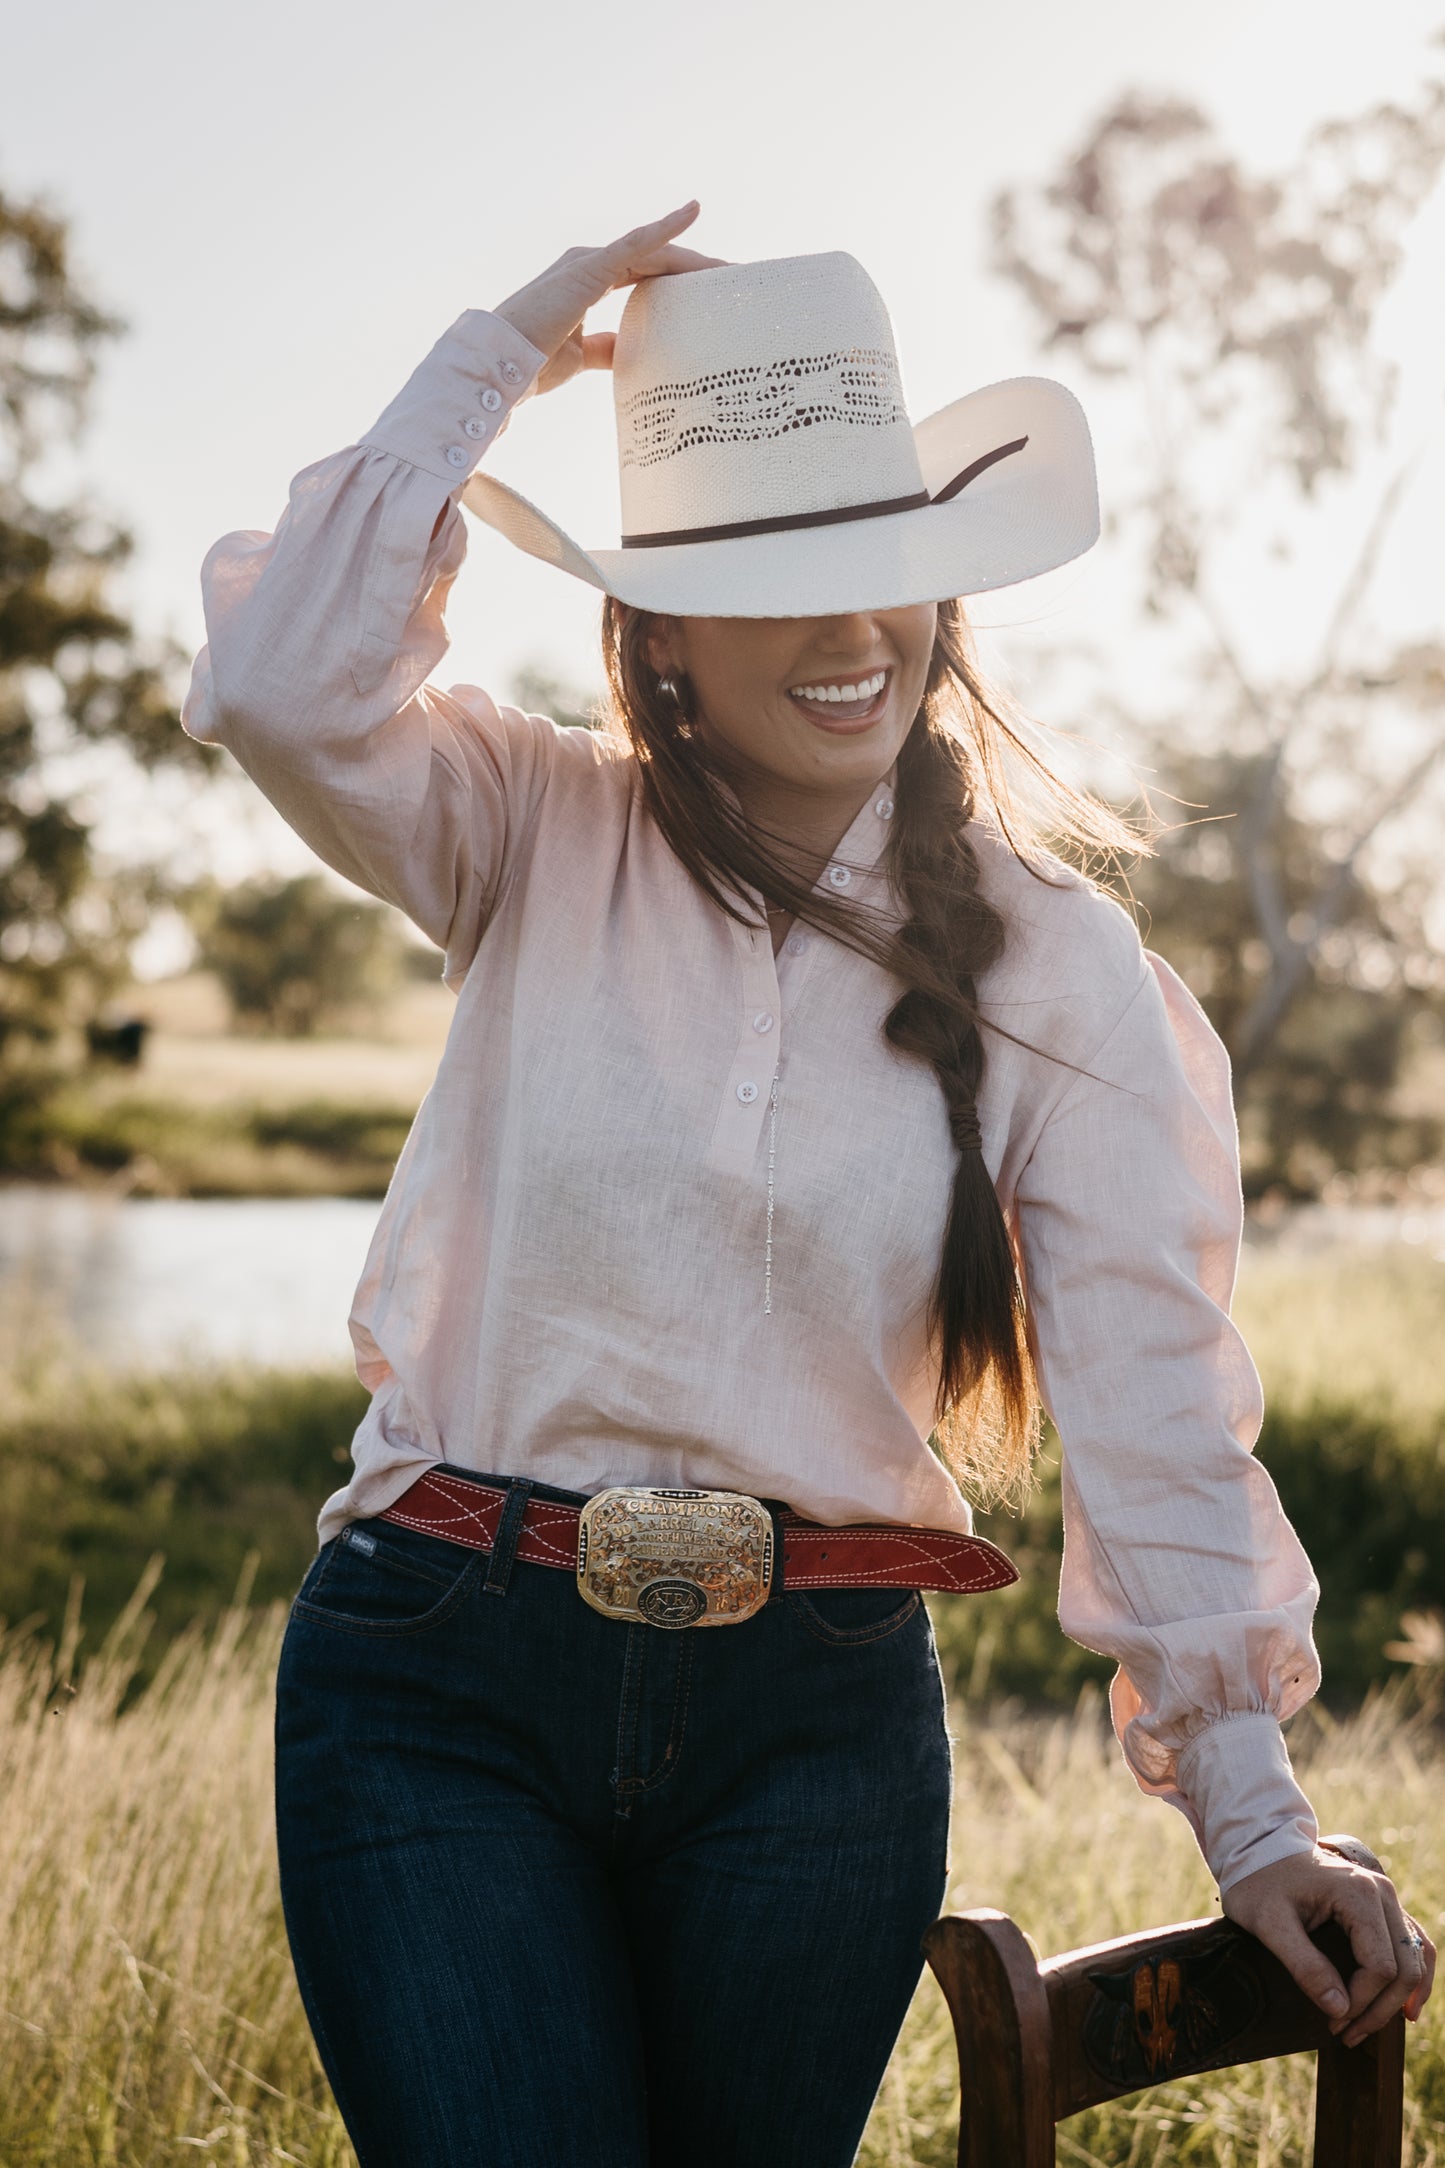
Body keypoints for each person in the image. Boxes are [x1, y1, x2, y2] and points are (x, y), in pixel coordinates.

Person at [182, 204, 1435, 2168]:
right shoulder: (523, 824)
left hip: (816, 1736)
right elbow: (273, 685)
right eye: (785, 576)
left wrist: (1258, 1821)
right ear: (657, 619)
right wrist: (499, 354)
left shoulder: (1054, 968)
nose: (861, 630)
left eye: (896, 571)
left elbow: (1153, 1398)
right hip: (439, 1684)